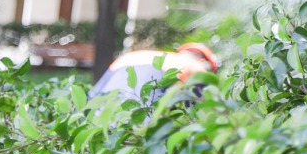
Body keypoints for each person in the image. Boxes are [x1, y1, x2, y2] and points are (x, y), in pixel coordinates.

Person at [89, 42, 219, 105]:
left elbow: (93, 96)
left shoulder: (131, 56)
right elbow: (199, 109)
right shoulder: (196, 68)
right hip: (142, 120)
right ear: (204, 61)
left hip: (104, 115)